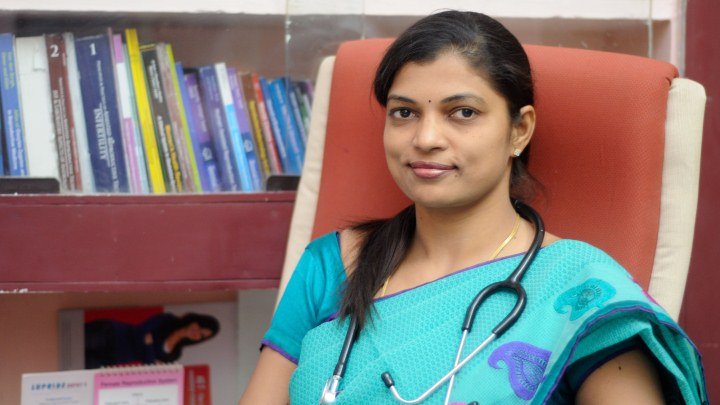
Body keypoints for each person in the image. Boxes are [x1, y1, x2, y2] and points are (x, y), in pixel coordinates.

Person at [241, 11, 706, 404]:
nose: (426, 138)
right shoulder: (332, 265)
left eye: (462, 112)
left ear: (519, 130)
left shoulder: (580, 291)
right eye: (404, 112)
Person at [85, 312, 219, 368]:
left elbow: (149, 365)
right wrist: (149, 354)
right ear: (196, 320)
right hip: (110, 334)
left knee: (75, 365)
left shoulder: (175, 354)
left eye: (202, 336)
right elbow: (140, 332)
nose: (197, 333)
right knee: (74, 344)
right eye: (200, 327)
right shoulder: (168, 319)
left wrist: (148, 345)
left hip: (113, 358)